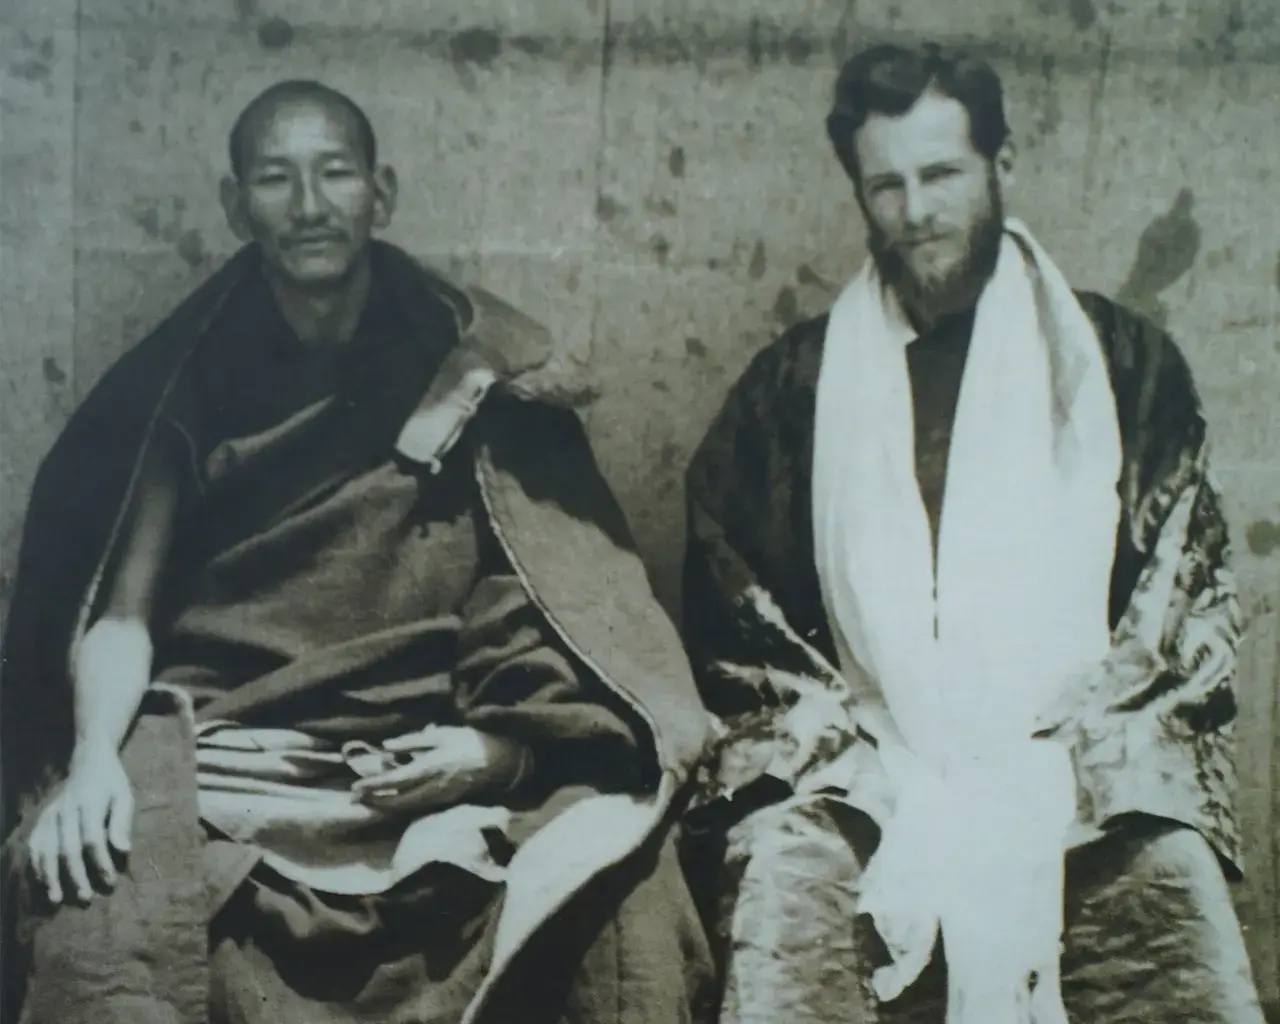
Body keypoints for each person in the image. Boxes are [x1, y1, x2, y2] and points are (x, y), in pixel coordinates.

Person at [1, 79, 715, 1024]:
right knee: (91, 927)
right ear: (234, 204)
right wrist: (95, 759)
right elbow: (120, 612)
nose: (307, 206)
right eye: (275, 178)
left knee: (632, 904)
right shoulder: (187, 384)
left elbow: (547, 596)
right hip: (231, 767)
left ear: (380, 195)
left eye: (334, 174)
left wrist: (495, 751)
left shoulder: (472, 377)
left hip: (428, 770)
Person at [681, 43, 1266, 1024]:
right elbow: (742, 617)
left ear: (1003, 164)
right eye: (887, 185)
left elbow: (1177, 595)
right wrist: (849, 749)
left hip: (1077, 755)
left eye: (942, 173)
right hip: (863, 759)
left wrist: (1076, 745)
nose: (916, 210)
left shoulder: (1118, 369)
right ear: (860, 195)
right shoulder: (795, 390)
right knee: (785, 881)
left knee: (1168, 888)